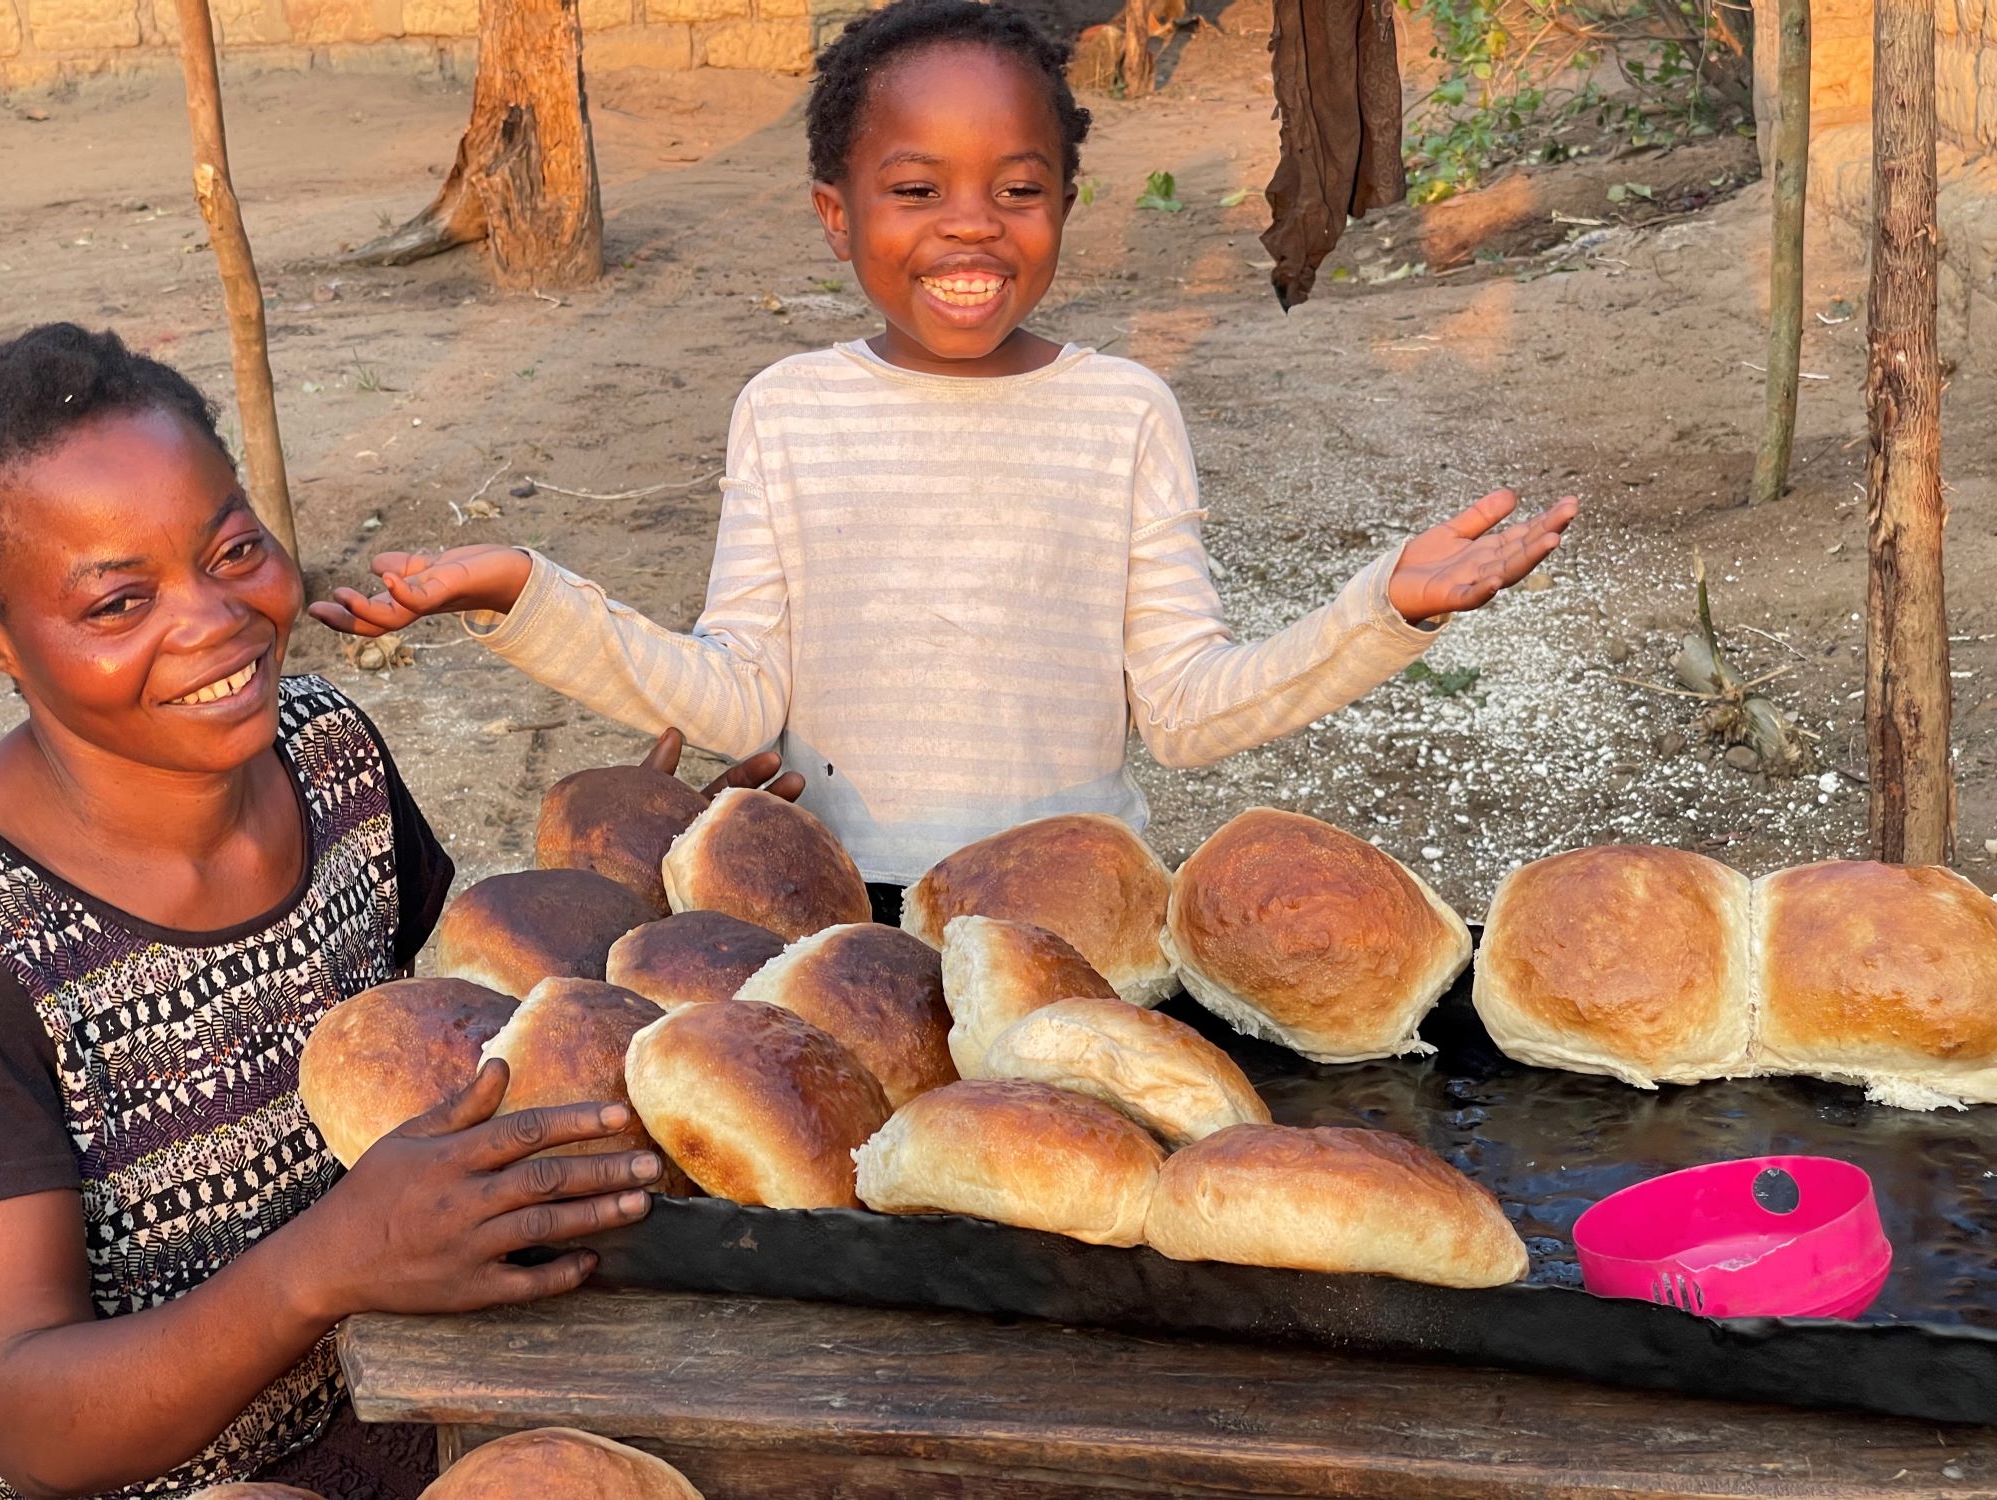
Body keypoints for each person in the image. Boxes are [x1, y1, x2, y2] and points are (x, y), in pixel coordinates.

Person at [312, 0, 1579, 925]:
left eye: (1015, 188)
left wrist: (1383, 610)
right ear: (836, 214)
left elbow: (1190, 711)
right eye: (915, 189)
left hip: (1074, 914)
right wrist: (519, 592)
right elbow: (740, 702)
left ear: (1066, 204)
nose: (970, 222)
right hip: (829, 921)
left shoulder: (1122, 414)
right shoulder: (787, 411)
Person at [0, 325, 791, 1500]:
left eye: (231, 548)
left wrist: (652, 889)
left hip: (426, 1393)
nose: (213, 618)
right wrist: (319, 1267)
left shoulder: (330, 756)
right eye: (118, 603)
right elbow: (29, 1423)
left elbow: (428, 1053)